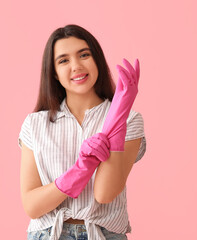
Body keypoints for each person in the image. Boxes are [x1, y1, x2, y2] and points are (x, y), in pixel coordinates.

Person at [18, 24, 146, 240]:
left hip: (104, 234)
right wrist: (78, 171)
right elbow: (32, 206)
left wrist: (117, 116)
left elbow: (104, 194)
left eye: (84, 55)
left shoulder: (130, 119)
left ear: (97, 60)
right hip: (49, 234)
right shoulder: (35, 124)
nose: (76, 66)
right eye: (63, 60)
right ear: (55, 74)